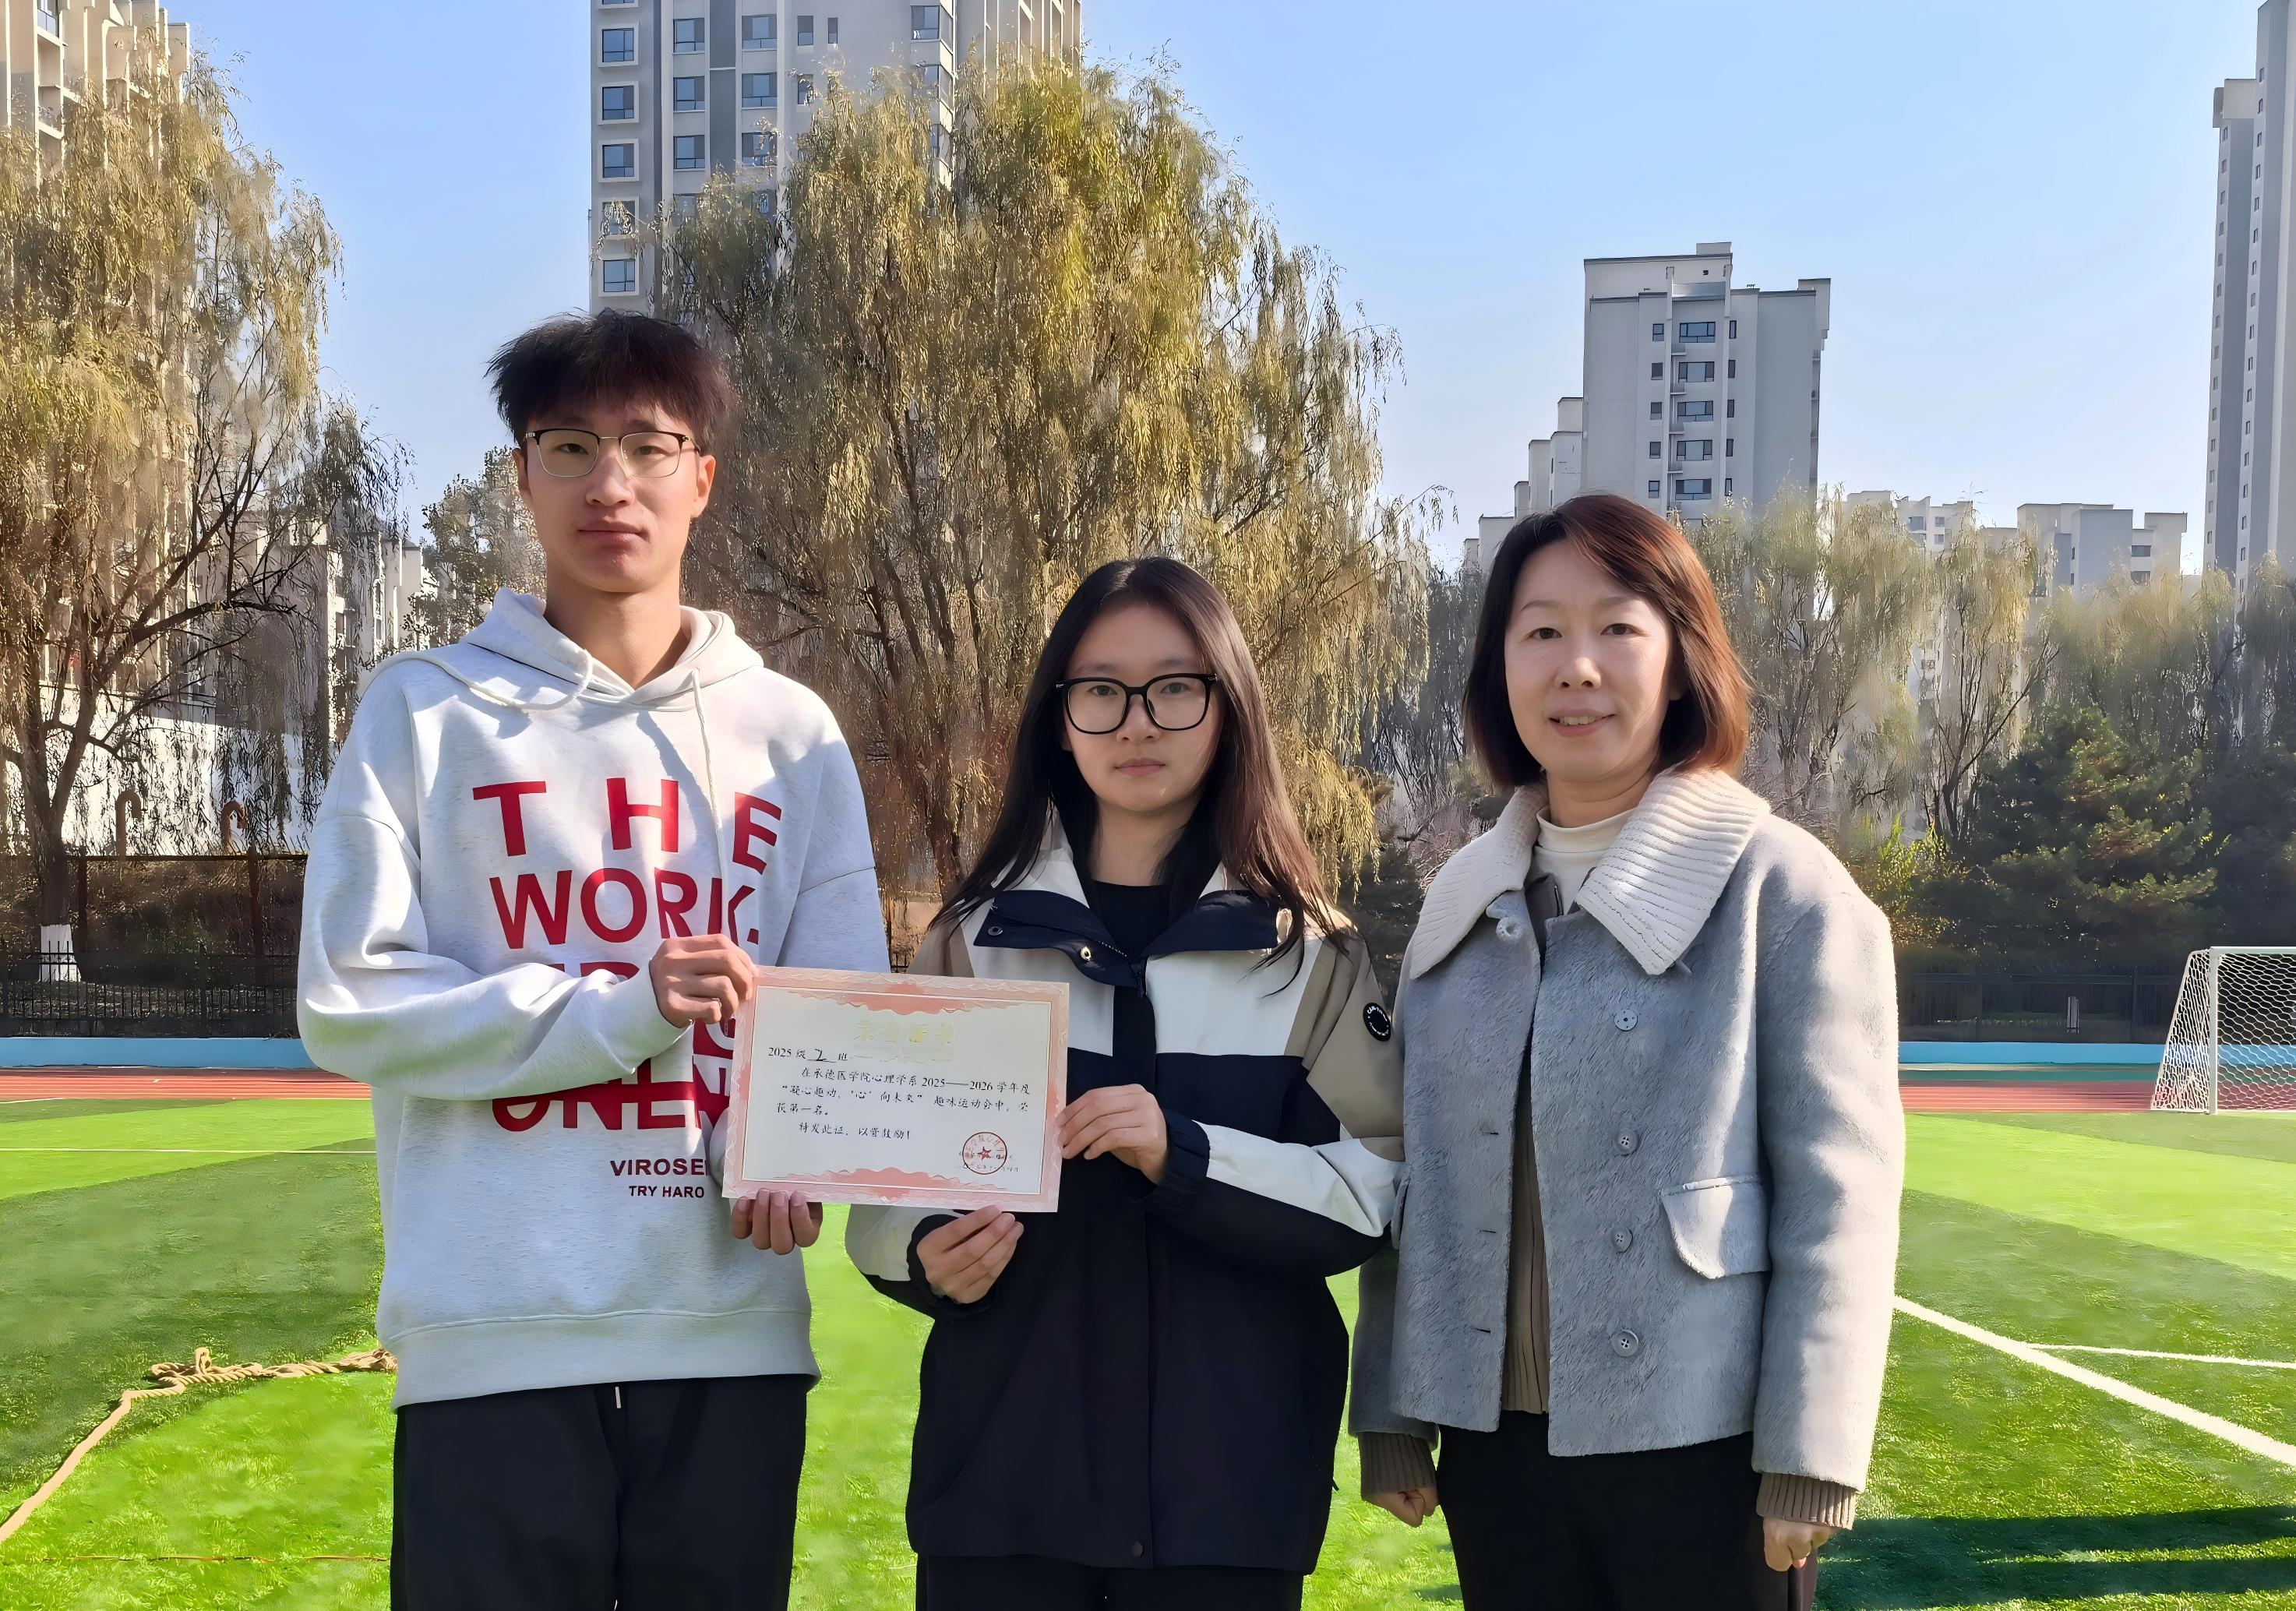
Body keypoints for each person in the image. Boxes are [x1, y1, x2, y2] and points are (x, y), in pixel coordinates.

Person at [298, 310, 886, 1610]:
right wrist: (619, 1011)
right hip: (491, 1339)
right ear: (523, 475)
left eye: (648, 446)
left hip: (729, 1337)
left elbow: (835, 1017)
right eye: (569, 446)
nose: (610, 483)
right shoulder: (425, 712)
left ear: (702, 479)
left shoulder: (793, 733)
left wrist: (792, 1153)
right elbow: (349, 999)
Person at [1350, 492, 1904, 1609]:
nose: (1578, 666)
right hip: (1498, 1452)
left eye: (1618, 627)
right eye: (1541, 631)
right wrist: (1395, 1413)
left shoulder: (1783, 889)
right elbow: (1420, 1176)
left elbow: (1838, 1197)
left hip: (1708, 1442)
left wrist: (1812, 1453)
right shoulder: (1463, 899)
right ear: (1500, 667)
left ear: (1682, 660)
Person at [847, 557, 1405, 1611]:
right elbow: (880, 1192)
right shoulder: (974, 941)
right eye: (1101, 690)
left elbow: (1379, 1190)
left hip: (1227, 1504)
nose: (1137, 722)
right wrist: (922, 1253)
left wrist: (1183, 1152)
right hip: (1002, 1493)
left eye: (1175, 688)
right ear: (1060, 721)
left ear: (1228, 710)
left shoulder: (1310, 956)